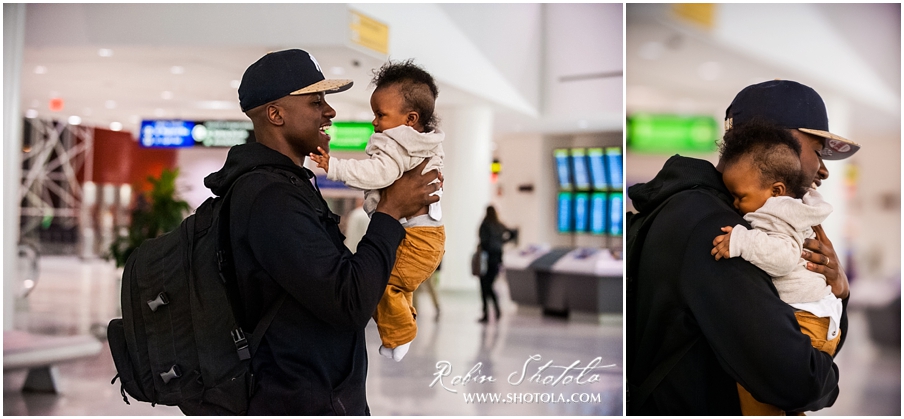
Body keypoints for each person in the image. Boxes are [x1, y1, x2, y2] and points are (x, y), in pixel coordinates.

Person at [203, 49, 441, 415]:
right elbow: (349, 302)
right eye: (316, 102)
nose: (329, 112)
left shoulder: (288, 185)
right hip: (298, 400)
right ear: (276, 114)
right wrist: (391, 212)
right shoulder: (271, 198)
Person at [626, 80, 859, 415]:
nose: (822, 169)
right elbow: (798, 382)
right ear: (772, 143)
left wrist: (837, 292)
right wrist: (828, 376)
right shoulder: (721, 231)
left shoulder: (678, 207)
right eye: (817, 150)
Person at [309, 59, 444, 362]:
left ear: (410, 119)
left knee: (382, 285)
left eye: (380, 114)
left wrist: (335, 167)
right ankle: (403, 323)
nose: (374, 122)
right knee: (396, 284)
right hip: (423, 234)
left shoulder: (397, 144)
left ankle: (400, 337)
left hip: (418, 237)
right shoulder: (420, 142)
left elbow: (378, 174)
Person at [709, 118, 844, 415]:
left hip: (807, 320)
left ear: (776, 189)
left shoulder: (776, 212)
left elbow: (783, 257)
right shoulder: (789, 205)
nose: (823, 169)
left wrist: (742, 242)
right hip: (816, 318)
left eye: (740, 197)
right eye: (817, 151)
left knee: (759, 395)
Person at [477, 205, 516, 323]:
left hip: (486, 259)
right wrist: (502, 242)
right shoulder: (499, 225)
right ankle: (496, 310)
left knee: (485, 286)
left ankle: (487, 313)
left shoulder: (485, 225)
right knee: (490, 285)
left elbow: (483, 241)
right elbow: (513, 233)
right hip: (497, 259)